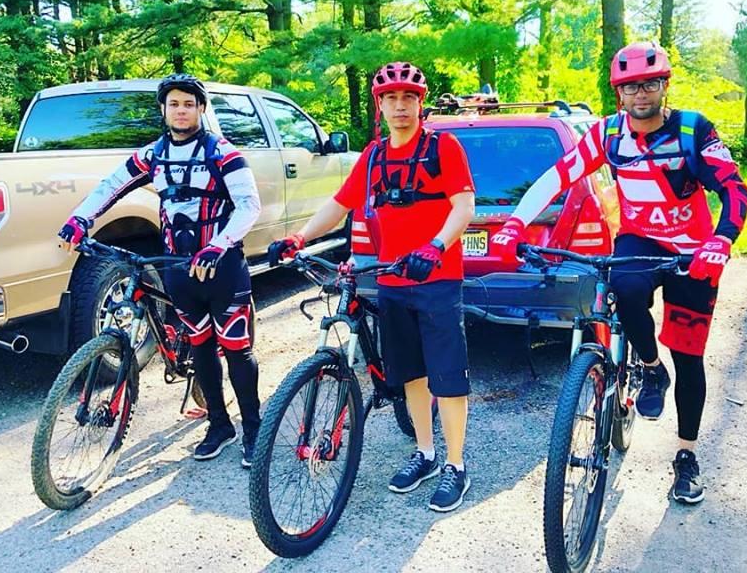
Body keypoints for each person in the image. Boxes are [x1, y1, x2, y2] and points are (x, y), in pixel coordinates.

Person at [491, 42, 747, 504]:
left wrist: (722, 240)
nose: (641, 94)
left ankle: (686, 458)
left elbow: (734, 188)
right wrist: (516, 222)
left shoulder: (692, 130)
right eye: (630, 87)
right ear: (619, 94)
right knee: (626, 288)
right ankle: (650, 370)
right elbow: (558, 176)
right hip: (640, 240)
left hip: (695, 252)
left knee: (689, 356)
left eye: (650, 83)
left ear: (664, 86)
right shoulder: (607, 134)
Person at [268, 62, 476, 512]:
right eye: (390, 99)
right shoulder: (374, 155)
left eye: (408, 99)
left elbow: (464, 205)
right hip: (391, 280)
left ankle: (456, 466)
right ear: (380, 105)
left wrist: (437, 246)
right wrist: (299, 238)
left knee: (447, 378)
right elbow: (339, 204)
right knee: (413, 375)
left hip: (436, 279)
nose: (400, 107)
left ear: (421, 104)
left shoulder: (444, 146)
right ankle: (425, 453)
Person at [58, 74, 263, 467]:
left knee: (237, 349)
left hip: (221, 267)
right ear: (164, 110)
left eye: (189, 104)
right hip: (177, 269)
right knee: (201, 346)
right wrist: (79, 219)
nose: (181, 110)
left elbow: (249, 206)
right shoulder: (153, 154)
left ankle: (253, 428)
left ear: (201, 109)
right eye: (174, 104)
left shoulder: (224, 152)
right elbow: (110, 186)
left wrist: (218, 246)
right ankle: (219, 425)